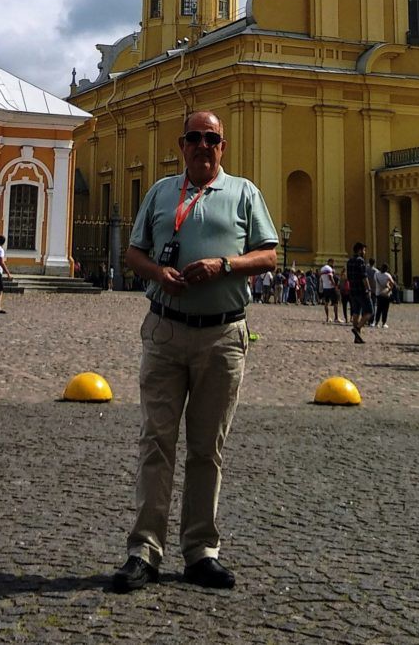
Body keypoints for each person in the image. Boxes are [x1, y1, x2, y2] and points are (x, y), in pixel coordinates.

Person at [111, 109, 277, 594]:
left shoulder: (245, 193)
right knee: (155, 443)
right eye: (194, 138)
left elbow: (269, 254)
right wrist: (159, 274)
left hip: (223, 337)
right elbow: (134, 252)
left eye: (212, 138)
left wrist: (224, 264)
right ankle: (143, 551)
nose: (203, 145)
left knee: (208, 448)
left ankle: (201, 551)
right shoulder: (161, 192)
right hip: (165, 331)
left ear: (223, 146)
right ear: (181, 145)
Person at [346, 242, 372, 344]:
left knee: (356, 312)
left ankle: (357, 338)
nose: (365, 252)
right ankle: (357, 328)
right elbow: (364, 277)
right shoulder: (360, 261)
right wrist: (369, 289)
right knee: (369, 311)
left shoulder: (349, 261)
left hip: (353, 291)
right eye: (364, 250)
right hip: (361, 290)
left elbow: (349, 277)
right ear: (360, 250)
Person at [373, 262, 396, 330]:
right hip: (386, 294)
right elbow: (393, 283)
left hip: (378, 293)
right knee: (385, 309)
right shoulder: (387, 275)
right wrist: (389, 289)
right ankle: (383, 323)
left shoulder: (376, 274)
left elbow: (375, 282)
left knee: (379, 309)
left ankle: (376, 322)